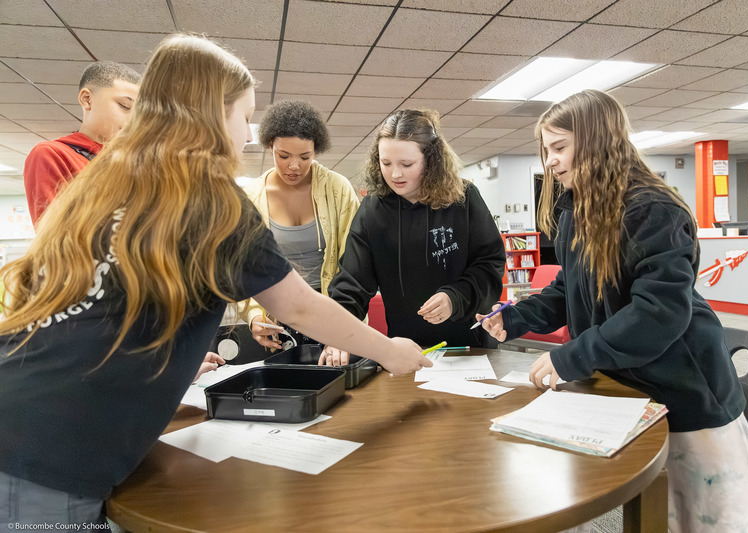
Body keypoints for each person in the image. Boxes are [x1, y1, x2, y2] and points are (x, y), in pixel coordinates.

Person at [0, 34, 430, 528]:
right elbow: (299, 306)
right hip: (48, 458)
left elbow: (97, 302)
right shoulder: (212, 201)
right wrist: (390, 351)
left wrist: (168, 354)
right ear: (207, 113)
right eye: (244, 117)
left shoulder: (103, 184)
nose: (249, 136)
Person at [479, 89, 748, 532]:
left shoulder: (652, 208)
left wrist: (570, 356)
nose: (551, 161)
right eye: (547, 149)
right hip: (631, 387)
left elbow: (658, 313)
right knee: (656, 513)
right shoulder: (578, 207)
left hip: (685, 391)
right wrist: (516, 318)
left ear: (598, 141)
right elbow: (571, 287)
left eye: (560, 147)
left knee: (709, 521)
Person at [323, 108, 505, 365]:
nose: (395, 174)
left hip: (470, 348)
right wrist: (338, 334)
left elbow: (489, 265)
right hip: (406, 351)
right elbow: (352, 283)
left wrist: (456, 298)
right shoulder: (372, 210)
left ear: (431, 160)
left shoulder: (464, 199)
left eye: (406, 164)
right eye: (386, 163)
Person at [242, 100, 361, 351]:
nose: (294, 166)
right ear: (269, 146)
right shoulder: (251, 197)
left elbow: (355, 263)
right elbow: (241, 268)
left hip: (334, 309)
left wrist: (343, 325)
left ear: (316, 150)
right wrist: (254, 315)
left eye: (304, 157)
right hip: (278, 316)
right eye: (283, 155)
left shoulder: (338, 190)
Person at [23, 61, 141, 225]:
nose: (132, 119)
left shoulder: (134, 160)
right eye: (125, 106)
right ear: (87, 99)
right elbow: (54, 234)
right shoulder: (53, 154)